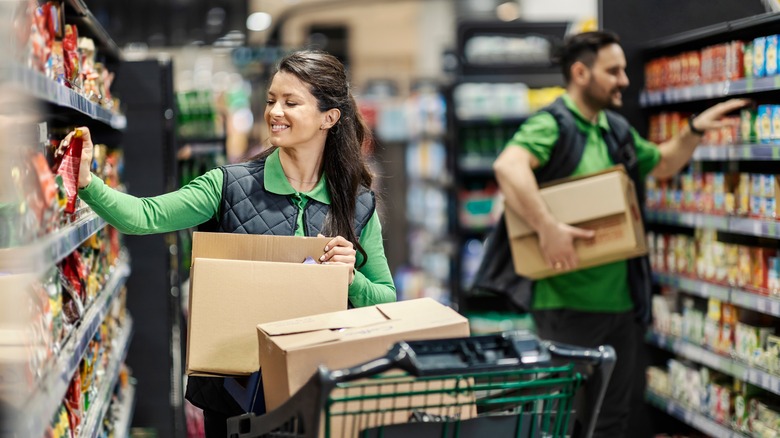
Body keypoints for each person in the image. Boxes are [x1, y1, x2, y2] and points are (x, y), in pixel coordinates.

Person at [61, 50, 396, 437]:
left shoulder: (357, 203)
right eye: (271, 100)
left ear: (329, 118)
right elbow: (144, 216)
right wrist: (87, 182)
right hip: (236, 398)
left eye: (291, 102)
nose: (275, 112)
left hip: (320, 393)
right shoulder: (228, 186)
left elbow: (386, 301)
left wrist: (349, 277)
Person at [491, 30, 747, 438]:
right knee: (568, 420)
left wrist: (695, 127)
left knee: (613, 422)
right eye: (613, 71)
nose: (625, 80)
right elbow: (508, 166)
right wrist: (548, 227)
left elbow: (662, 164)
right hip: (566, 305)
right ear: (580, 73)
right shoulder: (553, 126)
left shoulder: (615, 129)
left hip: (622, 306)